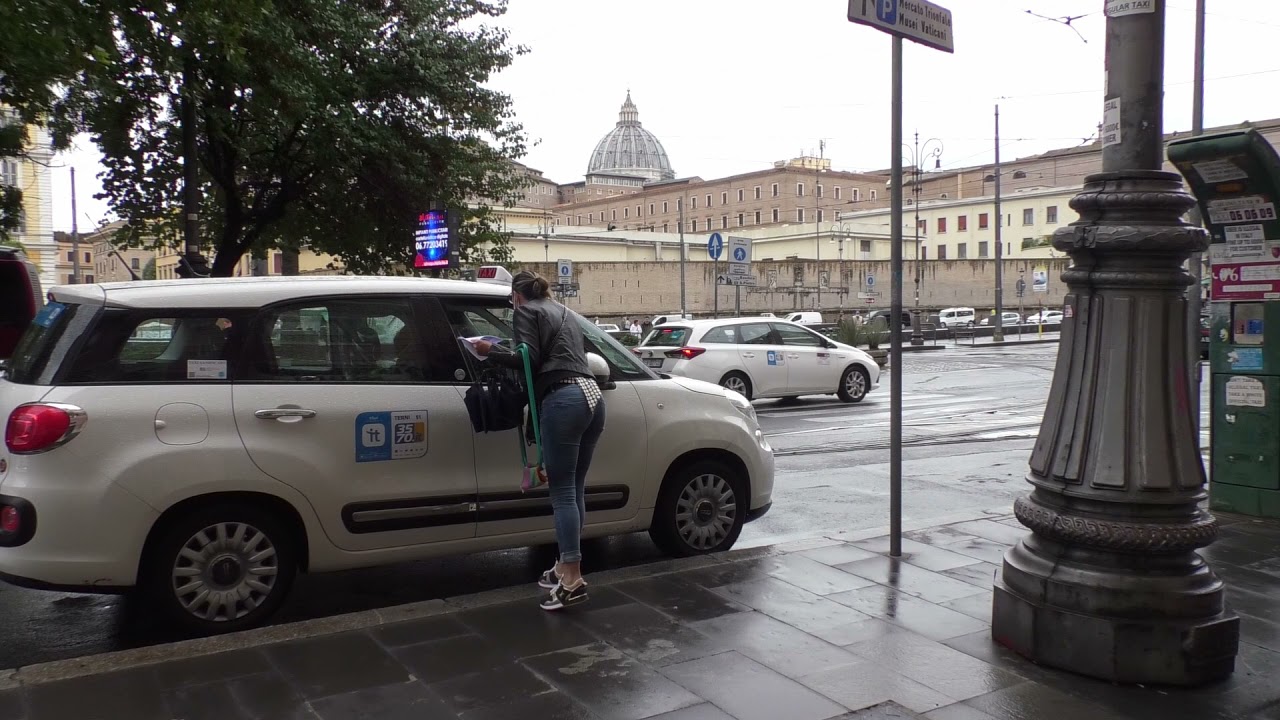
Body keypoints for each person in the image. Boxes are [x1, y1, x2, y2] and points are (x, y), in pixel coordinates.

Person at [472, 270, 605, 611]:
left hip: (563, 398)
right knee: (574, 489)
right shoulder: (564, 311)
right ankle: (564, 564)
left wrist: (490, 350)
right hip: (591, 396)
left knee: (562, 493)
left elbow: (527, 361)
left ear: (516, 295)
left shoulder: (525, 312)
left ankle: (573, 579)